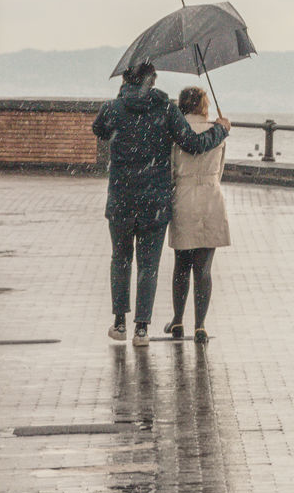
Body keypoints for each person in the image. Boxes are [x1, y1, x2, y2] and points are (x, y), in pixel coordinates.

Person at [92, 61, 230, 347]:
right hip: (154, 201)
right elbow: (193, 143)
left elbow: (99, 130)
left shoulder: (112, 109)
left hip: (120, 199)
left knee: (120, 259)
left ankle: (119, 322)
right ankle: (142, 328)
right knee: (148, 265)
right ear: (153, 81)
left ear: (126, 81)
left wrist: (120, 102)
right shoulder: (166, 109)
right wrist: (221, 130)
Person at [164, 85, 231, 344]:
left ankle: (178, 320)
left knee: (181, 265)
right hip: (211, 197)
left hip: (184, 196)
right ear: (204, 105)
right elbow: (221, 169)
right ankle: (200, 325)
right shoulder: (218, 131)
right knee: (203, 268)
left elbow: (171, 170)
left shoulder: (176, 133)